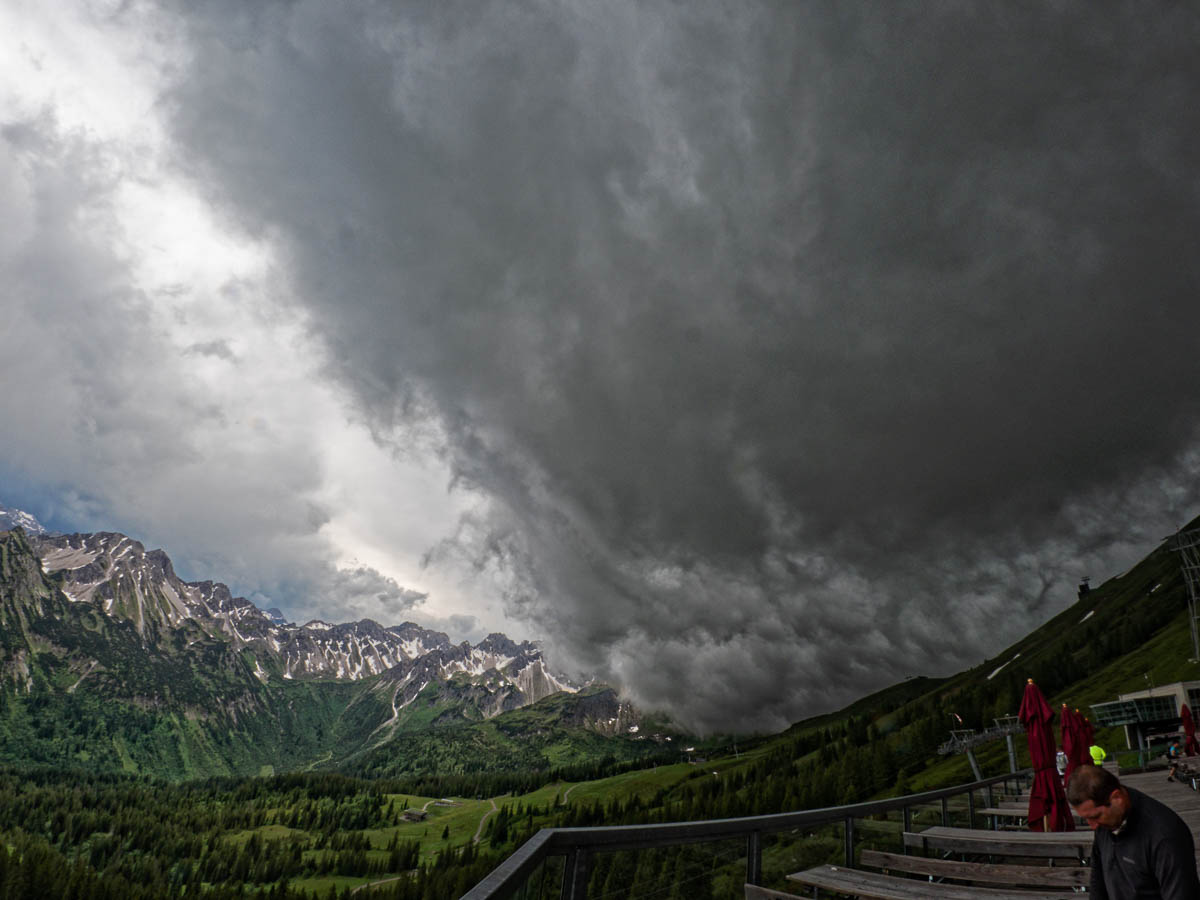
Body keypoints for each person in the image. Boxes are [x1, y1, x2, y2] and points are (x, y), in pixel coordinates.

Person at [1066, 764, 1200, 899]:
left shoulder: (1164, 836)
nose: (1093, 826)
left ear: (1117, 798)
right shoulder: (1106, 822)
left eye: (1095, 816)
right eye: (1086, 819)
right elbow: (1098, 881)